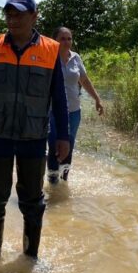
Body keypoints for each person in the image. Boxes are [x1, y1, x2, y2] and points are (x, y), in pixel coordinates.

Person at [0, 0, 70, 261]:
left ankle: (29, 258)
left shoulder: (50, 49)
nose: (12, 20)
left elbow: (58, 97)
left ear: (34, 16)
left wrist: (64, 136)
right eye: (9, 14)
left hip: (34, 137)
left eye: (19, 14)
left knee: (32, 202)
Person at [47, 26, 104, 184]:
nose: (66, 42)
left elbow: (84, 81)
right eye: (62, 39)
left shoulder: (76, 58)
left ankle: (64, 180)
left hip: (73, 112)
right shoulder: (49, 58)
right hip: (52, 112)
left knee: (69, 147)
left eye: (69, 38)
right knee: (53, 146)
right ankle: (53, 182)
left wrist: (97, 99)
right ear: (54, 41)